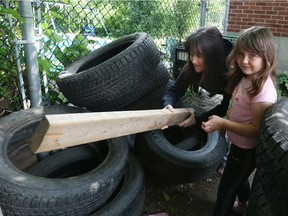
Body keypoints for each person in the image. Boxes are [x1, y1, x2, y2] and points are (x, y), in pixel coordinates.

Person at [201, 26, 278, 216]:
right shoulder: (248, 77)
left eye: (252, 55)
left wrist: (223, 123)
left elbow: (256, 129)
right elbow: (238, 109)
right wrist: (226, 123)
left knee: (226, 190)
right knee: (238, 178)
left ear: (266, 57)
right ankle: (243, 204)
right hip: (238, 144)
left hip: (246, 150)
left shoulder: (263, 91)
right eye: (241, 53)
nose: (244, 60)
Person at [162, 26, 233, 127]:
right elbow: (175, 90)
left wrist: (198, 119)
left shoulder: (230, 71)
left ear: (212, 56)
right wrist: (167, 105)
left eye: (199, 56)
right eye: (191, 54)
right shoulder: (190, 67)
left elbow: (226, 107)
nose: (194, 61)